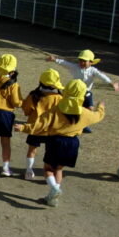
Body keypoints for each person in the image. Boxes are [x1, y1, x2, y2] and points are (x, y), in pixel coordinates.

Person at [14, 79, 105, 207]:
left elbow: (40, 125)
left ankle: (54, 189)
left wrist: (24, 127)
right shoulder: (85, 113)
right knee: (59, 169)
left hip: (55, 141)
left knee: (48, 169)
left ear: (66, 91)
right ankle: (52, 198)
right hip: (73, 143)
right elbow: (98, 116)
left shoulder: (56, 110)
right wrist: (101, 107)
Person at [46, 49, 119, 132]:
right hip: (75, 92)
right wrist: (55, 59)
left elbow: (102, 76)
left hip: (86, 92)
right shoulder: (75, 67)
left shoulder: (93, 71)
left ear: (91, 62)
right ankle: (65, 121)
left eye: (84, 61)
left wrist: (111, 83)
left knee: (90, 108)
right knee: (73, 108)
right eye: (80, 60)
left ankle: (84, 124)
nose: (81, 63)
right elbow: (65, 63)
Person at [20, 68, 64, 180]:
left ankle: (29, 171)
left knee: (32, 149)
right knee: (50, 153)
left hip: (35, 128)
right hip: (51, 130)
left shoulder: (33, 95)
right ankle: (50, 175)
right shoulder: (59, 98)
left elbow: (26, 110)